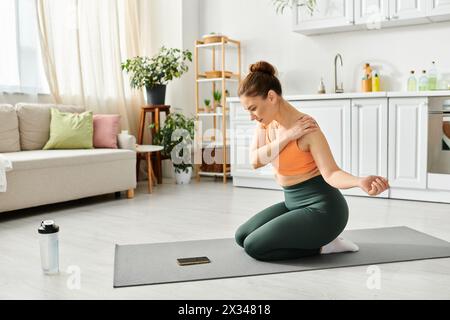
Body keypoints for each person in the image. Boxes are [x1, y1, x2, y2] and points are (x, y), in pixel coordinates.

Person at [235, 61, 390, 261]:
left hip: (323, 210)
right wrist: (288, 136)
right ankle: (318, 241)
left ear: (271, 97)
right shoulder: (266, 124)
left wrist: (359, 181)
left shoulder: (307, 127)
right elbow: (256, 161)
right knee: (242, 236)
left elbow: (332, 173)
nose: (251, 116)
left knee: (254, 246)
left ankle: (325, 245)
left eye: (253, 108)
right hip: (294, 204)